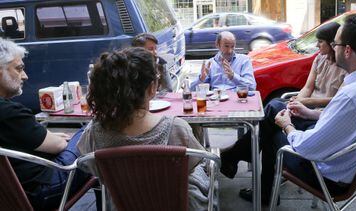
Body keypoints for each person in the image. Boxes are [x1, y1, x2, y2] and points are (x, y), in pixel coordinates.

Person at [239, 13, 356, 204]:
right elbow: (348, 123)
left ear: (347, 50)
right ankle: (241, 159)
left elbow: (306, 148)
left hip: (329, 176)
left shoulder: (352, 96)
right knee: (276, 108)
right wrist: (309, 113)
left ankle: (261, 189)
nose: (332, 47)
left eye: (335, 44)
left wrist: (287, 126)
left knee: (272, 131)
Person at [220, 22, 346, 202]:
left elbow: (337, 101)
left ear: (333, 44)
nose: (317, 46)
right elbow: (307, 87)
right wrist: (298, 100)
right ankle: (263, 190)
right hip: (304, 108)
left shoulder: (345, 67)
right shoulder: (319, 59)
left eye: (320, 42)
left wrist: (305, 102)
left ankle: (234, 155)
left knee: (272, 107)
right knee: (272, 124)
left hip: (319, 117)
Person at [77, 47, 212, 210]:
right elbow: (193, 164)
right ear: (151, 88)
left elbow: (93, 168)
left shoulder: (95, 131)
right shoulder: (176, 129)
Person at [0, 38, 91, 210]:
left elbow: (15, 138)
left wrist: (45, 136)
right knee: (89, 132)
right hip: (40, 191)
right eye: (19, 69)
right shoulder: (9, 113)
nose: (25, 76)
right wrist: (60, 140)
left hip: (7, 195)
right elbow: (58, 146)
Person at [190, 31, 256, 91]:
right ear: (217, 45)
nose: (230, 51)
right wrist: (201, 79)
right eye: (226, 46)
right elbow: (191, 89)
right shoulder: (210, 63)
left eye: (232, 46)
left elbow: (252, 87)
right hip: (216, 99)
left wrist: (233, 77)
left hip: (236, 98)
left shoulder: (244, 60)